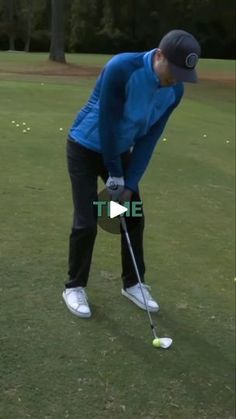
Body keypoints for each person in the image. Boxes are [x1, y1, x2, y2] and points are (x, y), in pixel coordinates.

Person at [62, 29, 201, 318]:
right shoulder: (122, 68)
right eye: (173, 70)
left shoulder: (174, 91)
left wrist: (129, 183)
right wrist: (115, 174)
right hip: (86, 147)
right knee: (87, 221)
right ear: (159, 55)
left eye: (182, 74)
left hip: (120, 152)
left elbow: (149, 139)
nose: (175, 78)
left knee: (132, 215)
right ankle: (74, 286)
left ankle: (133, 283)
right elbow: (108, 124)